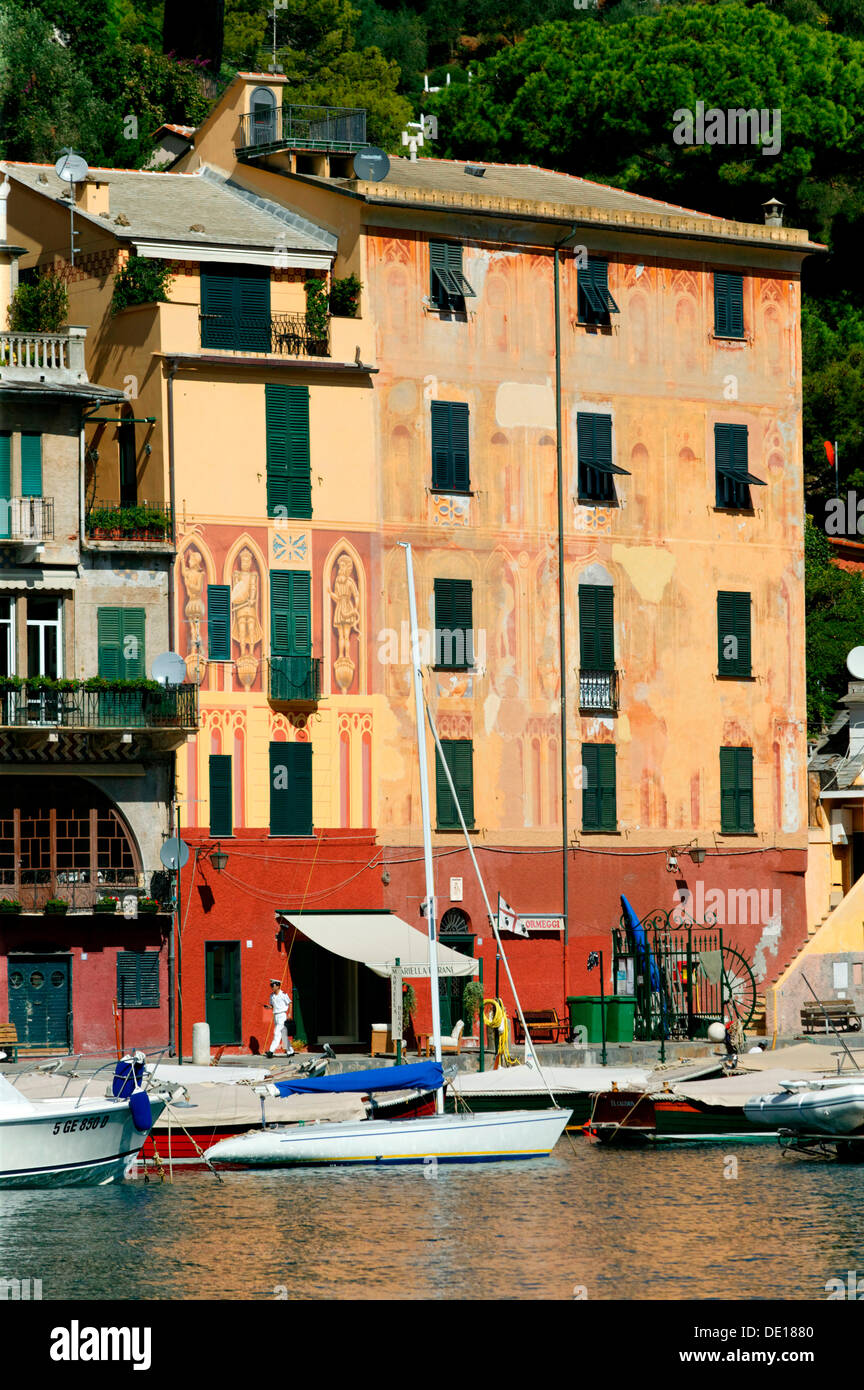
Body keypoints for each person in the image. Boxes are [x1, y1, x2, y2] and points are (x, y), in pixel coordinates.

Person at [265, 978, 294, 1058]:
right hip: (276, 1016)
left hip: (282, 1015)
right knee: (283, 1034)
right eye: (271, 985)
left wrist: (290, 1014)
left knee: (277, 1033)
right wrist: (269, 1007)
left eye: (272, 985)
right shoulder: (272, 995)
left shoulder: (283, 994)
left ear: (278, 986)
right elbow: (272, 1005)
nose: (271, 987)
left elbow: (290, 1003)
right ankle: (290, 1051)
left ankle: (271, 1051)